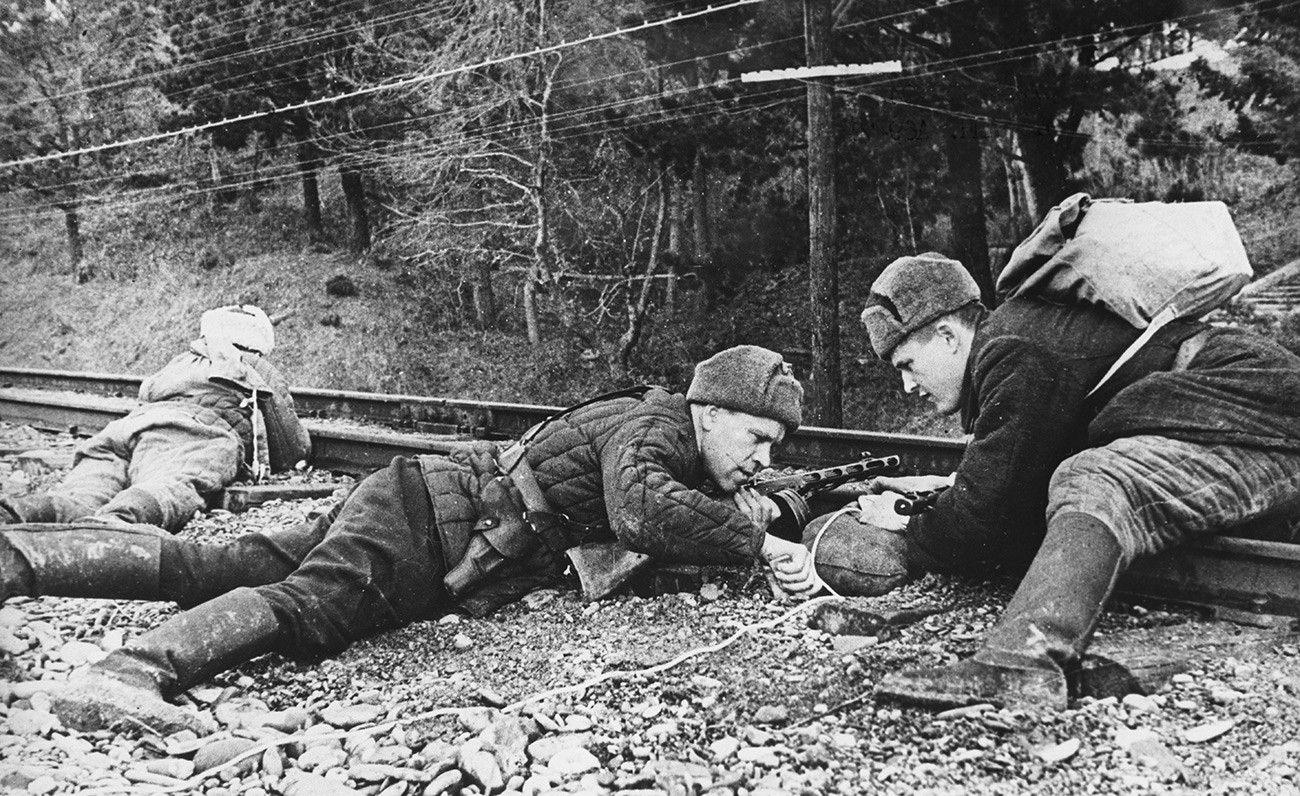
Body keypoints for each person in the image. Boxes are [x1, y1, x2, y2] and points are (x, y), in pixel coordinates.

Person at [0, 345, 818, 735]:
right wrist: (762, 546)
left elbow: (681, 502)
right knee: (310, 608)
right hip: (437, 520)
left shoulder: (674, 436)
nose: (761, 457)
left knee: (220, 563)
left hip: (431, 505)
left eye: (774, 448)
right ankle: (128, 673)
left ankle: (18, 563)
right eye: (755, 437)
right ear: (708, 411)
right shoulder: (656, 427)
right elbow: (644, 511)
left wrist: (776, 506)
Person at [837, 252, 1300, 711]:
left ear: (947, 336)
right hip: (1241, 413)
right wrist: (948, 491)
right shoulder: (1021, 336)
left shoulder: (1014, 349)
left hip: (1253, 415)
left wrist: (904, 526)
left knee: (1093, 478)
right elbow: (1010, 489)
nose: (907, 386)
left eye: (907, 364)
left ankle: (1021, 663)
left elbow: (985, 522)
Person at [0, 305, 310, 533]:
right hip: (193, 433)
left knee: (87, 489)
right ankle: (114, 527)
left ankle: (22, 512)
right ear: (258, 341)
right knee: (169, 483)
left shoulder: (181, 360)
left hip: (128, 428)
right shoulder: (256, 366)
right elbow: (289, 446)